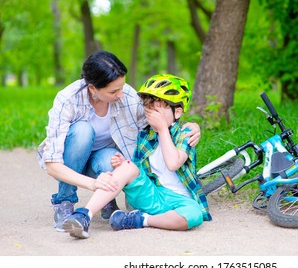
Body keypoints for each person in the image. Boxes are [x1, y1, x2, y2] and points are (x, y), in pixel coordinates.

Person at [37, 51, 201, 232]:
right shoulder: (68, 100)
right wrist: (92, 184)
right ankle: (65, 201)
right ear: (92, 89)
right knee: (83, 131)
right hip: (72, 158)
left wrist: (191, 126)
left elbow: (160, 119)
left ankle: (108, 200)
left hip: (103, 159)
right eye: (114, 91)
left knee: (112, 158)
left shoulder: (128, 97)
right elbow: (52, 163)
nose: (121, 94)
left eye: (122, 86)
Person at [61, 74, 212, 239]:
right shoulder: (145, 135)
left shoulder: (185, 134)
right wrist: (123, 164)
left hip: (179, 200)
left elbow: (173, 163)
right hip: (150, 194)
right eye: (149, 110)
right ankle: (84, 215)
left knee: (193, 215)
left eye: (158, 110)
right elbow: (139, 169)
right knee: (127, 167)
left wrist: (162, 129)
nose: (152, 116)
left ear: (177, 111)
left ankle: (142, 220)